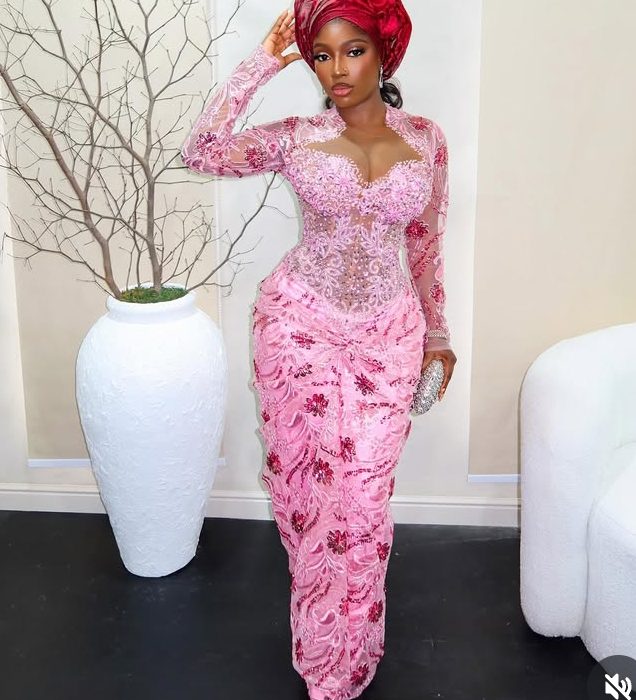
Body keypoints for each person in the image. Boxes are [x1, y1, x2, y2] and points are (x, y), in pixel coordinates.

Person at [180, 2, 457, 697]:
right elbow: (202, 151)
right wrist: (261, 63)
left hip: (388, 338)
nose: (336, 69)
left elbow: (425, 245)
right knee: (309, 500)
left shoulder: (427, 139)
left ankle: (353, 646)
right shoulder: (297, 138)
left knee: (363, 499)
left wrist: (439, 336)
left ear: (384, 53)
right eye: (322, 54)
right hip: (298, 328)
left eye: (353, 51)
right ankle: (325, 653)